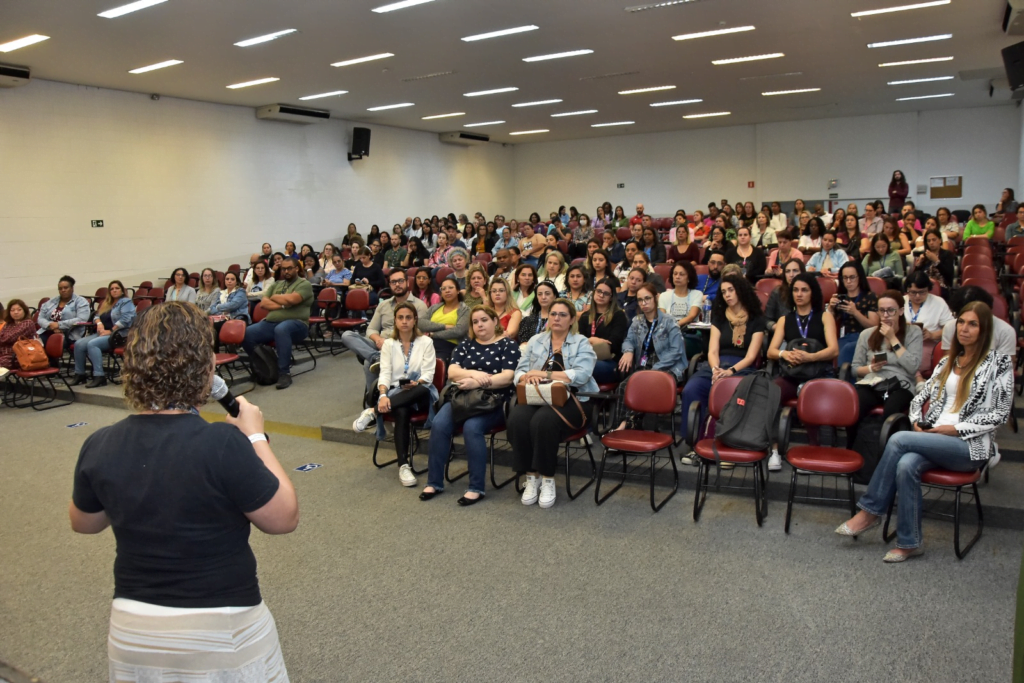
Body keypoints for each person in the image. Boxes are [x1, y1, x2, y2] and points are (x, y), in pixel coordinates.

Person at [69, 301, 297, 679]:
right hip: (221, 628)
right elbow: (284, 517)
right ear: (205, 368)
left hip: (133, 631)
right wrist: (255, 435)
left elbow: (85, 523)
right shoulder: (222, 442)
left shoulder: (100, 443)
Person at [838, 301, 1012, 561]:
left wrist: (954, 429)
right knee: (906, 464)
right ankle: (910, 543)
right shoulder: (948, 362)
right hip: (933, 437)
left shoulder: (998, 363)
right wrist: (917, 420)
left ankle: (871, 510)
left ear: (984, 328)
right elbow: (921, 397)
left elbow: (999, 413)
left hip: (968, 446)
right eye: (961, 322)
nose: (964, 329)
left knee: (898, 440)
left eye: (972, 324)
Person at [420, 306, 520, 505]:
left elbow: (507, 377)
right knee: (439, 425)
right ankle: (434, 482)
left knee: (472, 427)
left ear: (494, 321)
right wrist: (475, 375)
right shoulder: (467, 344)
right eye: (475, 322)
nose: (479, 325)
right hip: (463, 398)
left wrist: (478, 382)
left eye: (484, 320)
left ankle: (476, 487)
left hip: (494, 401)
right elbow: (453, 372)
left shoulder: (508, 345)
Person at [509, 299, 597, 509]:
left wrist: (542, 373)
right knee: (516, 420)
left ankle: (548, 478)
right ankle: (532, 476)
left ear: (572, 319)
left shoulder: (581, 342)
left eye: (562, 315)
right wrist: (524, 378)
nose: (556, 318)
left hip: (574, 398)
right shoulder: (536, 340)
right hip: (537, 395)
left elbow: (582, 374)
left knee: (543, 421)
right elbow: (520, 371)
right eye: (553, 314)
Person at [679, 274, 767, 464]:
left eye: (731, 290)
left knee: (727, 392)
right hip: (716, 365)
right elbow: (712, 350)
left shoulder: (757, 319)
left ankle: (727, 446)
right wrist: (716, 370)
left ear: (740, 290)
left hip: (742, 368)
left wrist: (730, 372)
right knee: (691, 389)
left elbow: (752, 356)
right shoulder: (719, 317)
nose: (727, 295)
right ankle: (696, 444)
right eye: (723, 291)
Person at [352, 302, 437, 487]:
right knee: (402, 411)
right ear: (395, 321)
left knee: (421, 389)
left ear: (415, 320)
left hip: (421, 391)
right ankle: (403, 465)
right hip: (396, 392)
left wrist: (417, 383)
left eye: (408, 317)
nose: (404, 321)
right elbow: (385, 374)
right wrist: (383, 395)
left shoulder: (426, 342)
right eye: (400, 318)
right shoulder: (389, 344)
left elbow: (428, 375)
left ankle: (373, 412)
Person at [767, 272, 839, 469]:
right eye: (796, 290)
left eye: (804, 290)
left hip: (817, 373)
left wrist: (811, 357)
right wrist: (785, 354)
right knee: (773, 392)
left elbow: (833, 349)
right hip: (792, 373)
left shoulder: (824, 316)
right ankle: (775, 451)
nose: (799, 294)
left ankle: (815, 447)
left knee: (808, 392)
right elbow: (771, 351)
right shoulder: (785, 319)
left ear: (812, 293)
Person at [846, 290, 923, 445]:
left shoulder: (914, 332)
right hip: (873, 381)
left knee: (891, 411)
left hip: (901, 385)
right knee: (854, 406)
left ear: (901, 311)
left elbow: (912, 367)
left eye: (891, 310)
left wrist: (892, 338)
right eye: (882, 311)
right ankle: (853, 450)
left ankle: (887, 454)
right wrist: (870, 368)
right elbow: (855, 368)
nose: (886, 315)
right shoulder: (867, 334)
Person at [241, 257, 314, 390]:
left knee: (282, 329)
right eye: (283, 269)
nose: (286, 271)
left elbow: (292, 299)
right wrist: (283, 304)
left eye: (289, 268)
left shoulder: (304, 284)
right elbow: (264, 303)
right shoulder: (276, 284)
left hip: (298, 324)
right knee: (247, 334)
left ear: (296, 268)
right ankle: (263, 366)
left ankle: (284, 373)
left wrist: (275, 298)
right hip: (271, 322)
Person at [71, 281, 136, 389]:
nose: (114, 290)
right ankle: (80, 374)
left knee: (93, 344)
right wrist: (99, 324)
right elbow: (96, 315)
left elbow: (125, 319)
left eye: (117, 288)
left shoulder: (126, 302)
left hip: (119, 335)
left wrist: (111, 331)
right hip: (103, 333)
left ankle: (99, 376)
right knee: (79, 344)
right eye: (112, 289)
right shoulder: (107, 302)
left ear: (122, 290)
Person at [617, 282, 687, 382]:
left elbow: (676, 351)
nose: (643, 303)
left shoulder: (669, 321)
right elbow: (629, 340)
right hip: (645, 365)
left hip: (669, 366)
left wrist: (656, 367)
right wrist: (628, 351)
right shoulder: (637, 321)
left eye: (647, 298)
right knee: (624, 388)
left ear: (656, 297)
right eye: (640, 300)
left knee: (649, 385)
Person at [940, 285, 1017, 361]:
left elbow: (1005, 367)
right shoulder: (950, 327)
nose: (964, 329)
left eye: (973, 323)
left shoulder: (1005, 331)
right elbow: (949, 361)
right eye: (961, 320)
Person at [578, 278, 629, 384]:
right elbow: (578, 342)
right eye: (599, 291)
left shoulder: (618, 315)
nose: (601, 295)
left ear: (611, 297)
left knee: (586, 366)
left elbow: (613, 344)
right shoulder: (585, 316)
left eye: (606, 293)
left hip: (609, 362)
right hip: (585, 358)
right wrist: (594, 340)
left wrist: (587, 341)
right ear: (594, 292)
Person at [830, 262, 879, 367]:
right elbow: (829, 324)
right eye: (845, 278)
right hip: (844, 337)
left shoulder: (870, 296)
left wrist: (855, 312)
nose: (848, 281)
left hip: (864, 337)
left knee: (847, 349)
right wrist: (830, 309)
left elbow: (874, 326)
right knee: (835, 348)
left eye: (852, 277)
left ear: (859, 277)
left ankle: (841, 378)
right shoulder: (840, 297)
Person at [420, 278, 470, 363]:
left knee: (432, 363)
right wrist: (445, 326)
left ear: (458, 290)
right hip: (427, 343)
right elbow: (420, 323)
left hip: (449, 346)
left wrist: (433, 334)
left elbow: (458, 331)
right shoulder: (435, 307)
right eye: (443, 289)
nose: (447, 291)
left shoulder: (465, 309)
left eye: (450, 287)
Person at [658, 260, 702, 351]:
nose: (677, 277)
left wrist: (674, 326)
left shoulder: (697, 294)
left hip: (689, 334)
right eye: (675, 274)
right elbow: (661, 318)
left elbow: (691, 316)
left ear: (689, 278)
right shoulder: (664, 295)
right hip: (667, 333)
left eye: (682, 274)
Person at [37, 275, 91, 347]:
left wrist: (59, 325)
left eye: (66, 288)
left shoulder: (81, 301)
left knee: (48, 344)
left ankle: (48, 358)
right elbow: (40, 318)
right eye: (60, 288)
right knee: (33, 343)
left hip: (69, 334)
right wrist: (50, 325)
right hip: (48, 331)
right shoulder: (52, 301)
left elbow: (82, 319)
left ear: (72, 288)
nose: (63, 290)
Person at [904, 270, 952, 343]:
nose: (917, 296)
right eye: (913, 292)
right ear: (907, 290)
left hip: (928, 344)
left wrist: (932, 335)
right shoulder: (900, 301)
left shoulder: (939, 302)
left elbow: (951, 328)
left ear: (929, 289)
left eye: (922, 292)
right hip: (903, 342)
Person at [765, 259, 806, 333]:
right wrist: (778, 328)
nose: (791, 275)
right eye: (787, 271)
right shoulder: (777, 292)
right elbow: (766, 319)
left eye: (795, 271)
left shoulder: (810, 292)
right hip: (782, 335)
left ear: (802, 272)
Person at [0, 300, 38, 375]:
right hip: (4, 354)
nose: (16, 312)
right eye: (12, 310)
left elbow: (7, 338)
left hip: (19, 356)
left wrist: (3, 338)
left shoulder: (28, 323)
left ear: (24, 310)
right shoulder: (8, 324)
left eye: (19, 310)